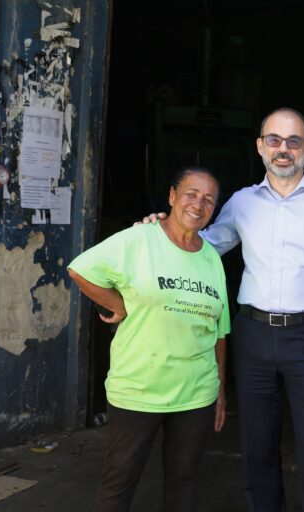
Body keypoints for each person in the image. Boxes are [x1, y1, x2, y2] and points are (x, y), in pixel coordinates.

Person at [149, 107, 304, 511]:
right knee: (256, 449)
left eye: (292, 141)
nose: (282, 150)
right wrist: (160, 230)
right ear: (260, 146)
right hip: (252, 337)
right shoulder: (242, 202)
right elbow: (203, 246)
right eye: (274, 140)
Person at [68, 166, 230, 512]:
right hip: (139, 389)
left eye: (208, 200)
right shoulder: (139, 239)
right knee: (119, 482)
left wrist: (220, 390)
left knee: (182, 480)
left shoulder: (212, 258)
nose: (198, 204)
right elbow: (80, 268)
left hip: (196, 392)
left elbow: (220, 331)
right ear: (172, 196)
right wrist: (118, 304)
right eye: (190, 194)